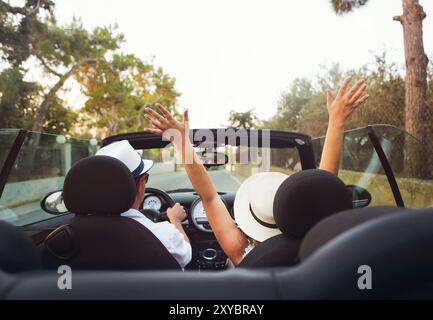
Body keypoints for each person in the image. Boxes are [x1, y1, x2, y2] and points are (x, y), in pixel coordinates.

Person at [144, 76, 369, 266]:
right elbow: (324, 183)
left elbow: (210, 197)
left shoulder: (243, 254)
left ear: (249, 219)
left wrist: (181, 141)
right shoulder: (317, 254)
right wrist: (337, 120)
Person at [96, 140, 192, 268]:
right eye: (145, 178)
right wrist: (176, 221)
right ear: (141, 182)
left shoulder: (69, 234)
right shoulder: (163, 234)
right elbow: (186, 254)